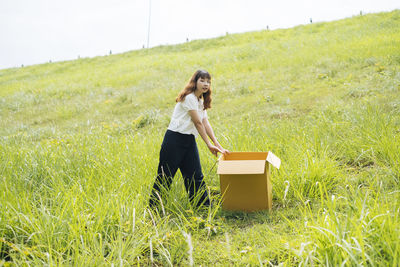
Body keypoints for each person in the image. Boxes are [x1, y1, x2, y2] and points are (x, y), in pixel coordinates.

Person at [149, 69, 229, 210]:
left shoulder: (199, 100)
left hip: (189, 140)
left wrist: (217, 144)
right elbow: (197, 123)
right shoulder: (189, 98)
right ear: (195, 81)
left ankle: (203, 208)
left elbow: (205, 123)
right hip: (174, 140)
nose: (205, 84)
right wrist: (209, 145)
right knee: (165, 176)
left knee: (195, 176)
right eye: (202, 80)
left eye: (208, 81)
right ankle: (154, 209)